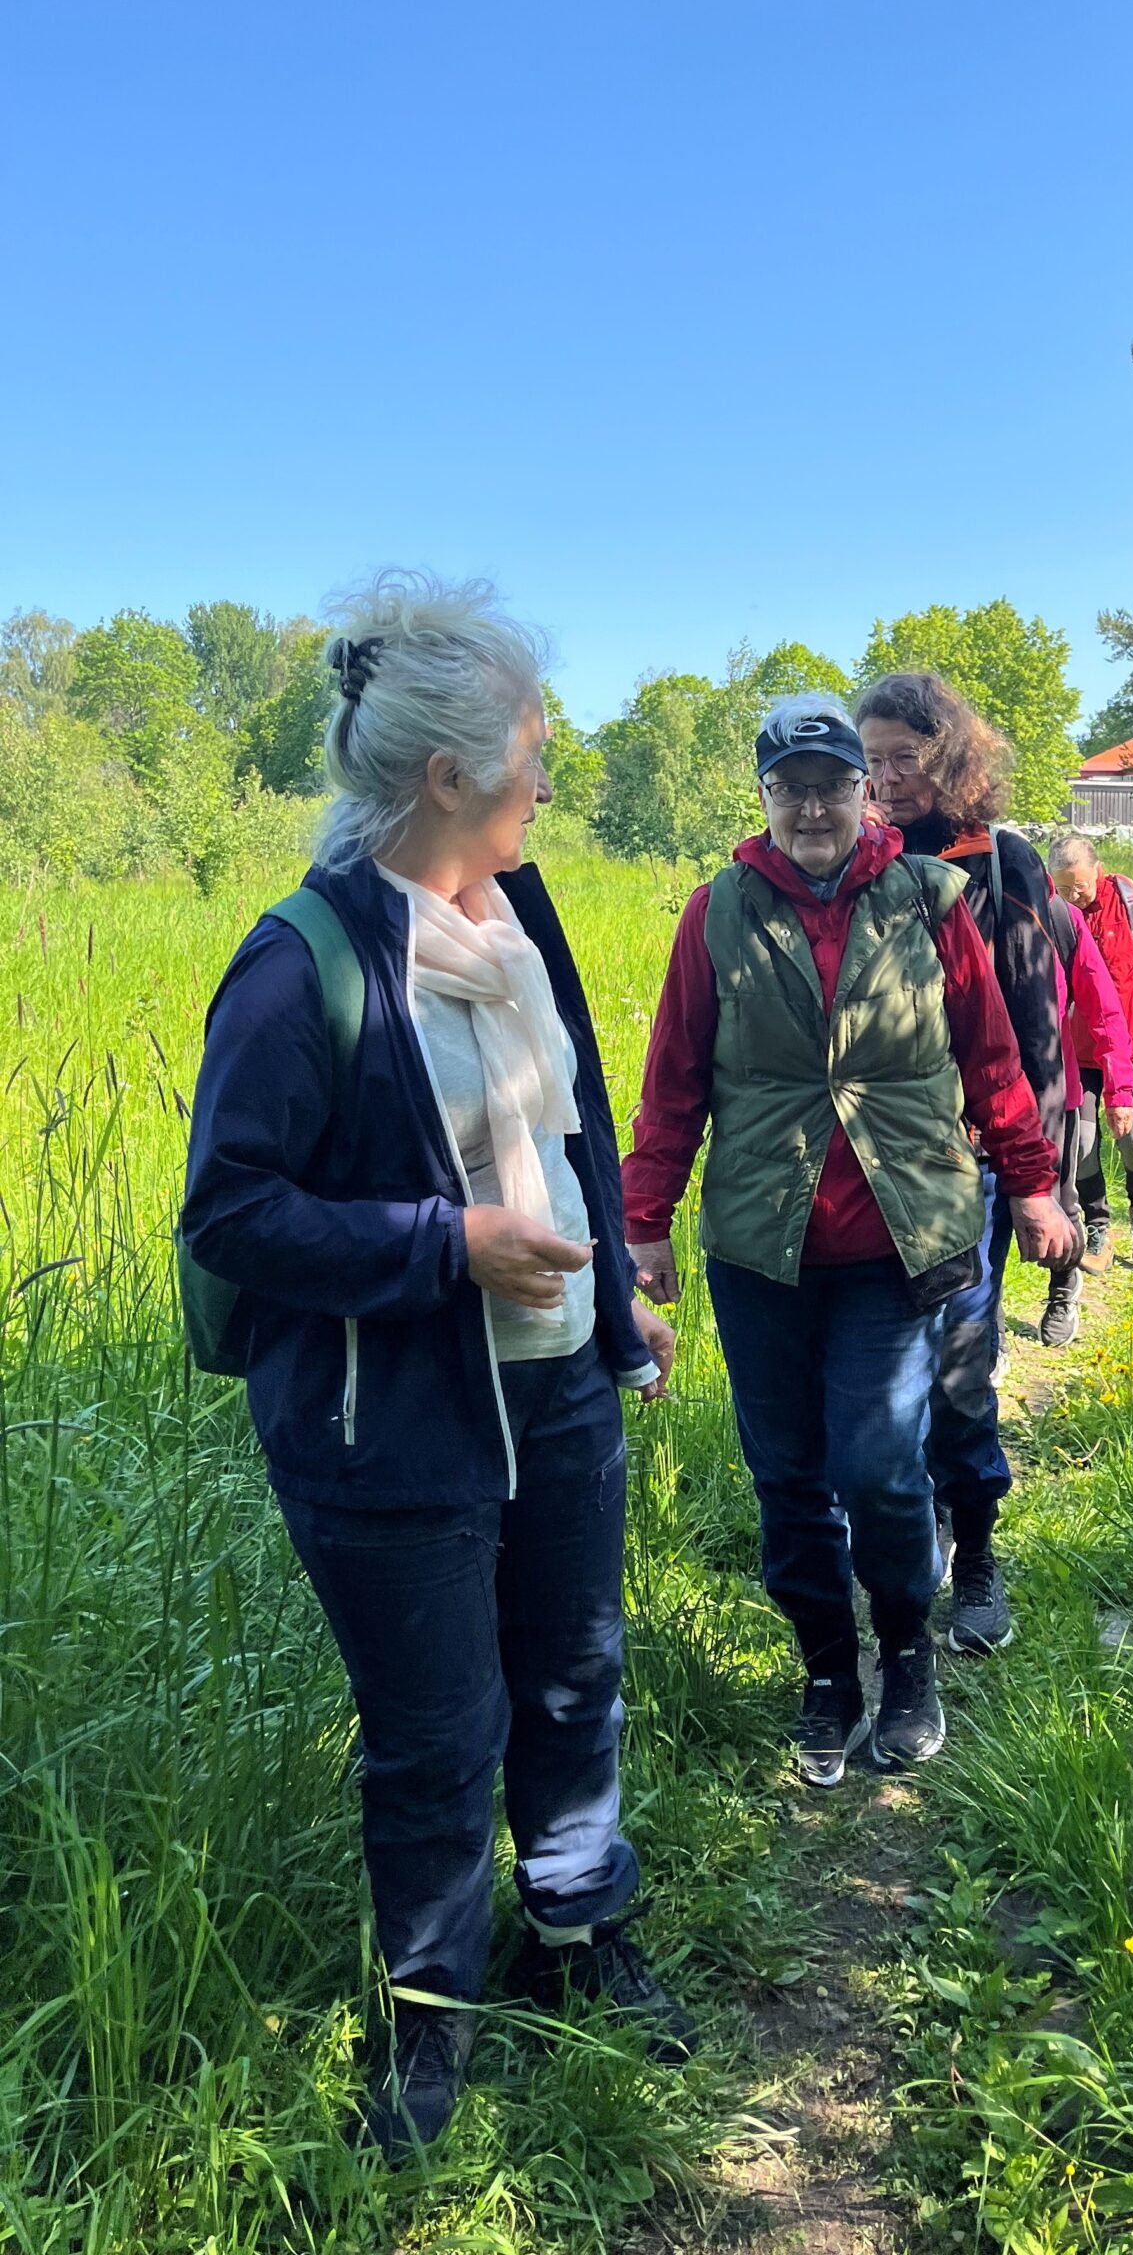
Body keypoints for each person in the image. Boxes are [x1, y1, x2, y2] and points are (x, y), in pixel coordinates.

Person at [180, 575, 690, 2162]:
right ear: (452, 774)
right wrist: (440, 1247)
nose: (554, 772)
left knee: (576, 1678)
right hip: (387, 1423)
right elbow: (233, 1213)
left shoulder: (520, 920)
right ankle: (429, 2027)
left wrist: (616, 1309)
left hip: (555, 1387)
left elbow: (571, 1130)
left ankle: (580, 1931)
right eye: (536, 746)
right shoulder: (303, 962)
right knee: (437, 1737)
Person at [623, 694, 1072, 1776]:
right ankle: (827, 1669)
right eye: (793, 785)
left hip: (895, 1236)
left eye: (833, 783)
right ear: (766, 796)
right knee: (787, 1476)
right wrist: (643, 1225)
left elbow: (993, 1057)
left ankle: (906, 1656)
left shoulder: (926, 899)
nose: (814, 804)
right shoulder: (716, 911)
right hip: (760, 1250)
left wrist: (1035, 1187)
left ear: (867, 793)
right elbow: (673, 1082)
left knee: (876, 1464)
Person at [853, 672, 1075, 1657]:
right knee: (881, 1384)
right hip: (866, 1174)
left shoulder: (1000, 864)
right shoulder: (853, 859)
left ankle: (977, 1554)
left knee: (959, 1374)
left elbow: (1037, 1028)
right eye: (875, 758)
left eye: (907, 755)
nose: (889, 777)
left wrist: (1037, 1174)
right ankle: (919, 1536)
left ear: (949, 756)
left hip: (972, 1163)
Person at [1048, 834, 1133, 1269]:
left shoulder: (1126, 901)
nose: (1073, 895)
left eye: (1079, 885)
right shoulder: (1053, 913)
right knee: (1081, 1143)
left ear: (1098, 871)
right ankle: (1098, 1224)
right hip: (1080, 1050)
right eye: (1063, 887)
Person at [1039, 885, 1133, 1347]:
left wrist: (1119, 1089)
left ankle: (1063, 1288)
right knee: (985, 1213)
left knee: (1061, 1201)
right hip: (982, 1093)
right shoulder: (956, 905)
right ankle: (986, 1327)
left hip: (1058, 1092)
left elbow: (1103, 1006)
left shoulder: (1059, 918)